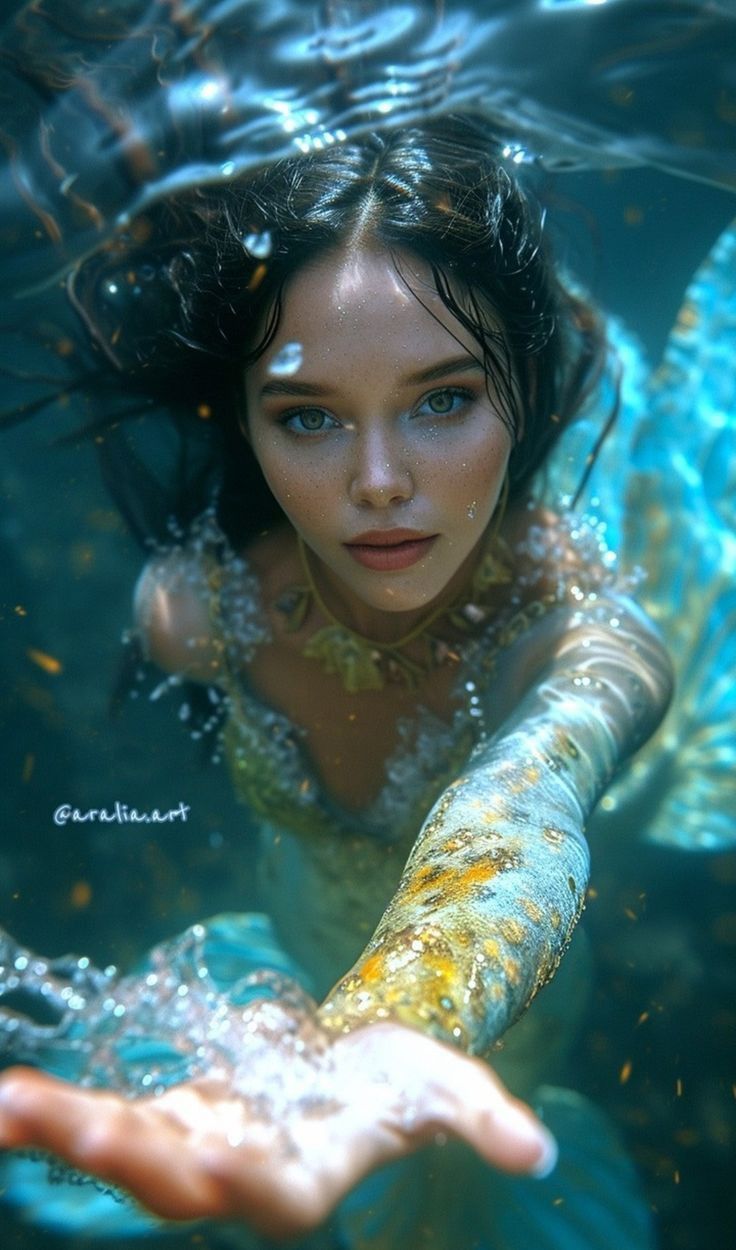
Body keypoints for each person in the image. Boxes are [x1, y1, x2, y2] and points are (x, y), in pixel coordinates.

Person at [0, 116, 688, 1249]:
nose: (378, 483)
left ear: (524, 391)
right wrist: (305, 1041)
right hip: (282, 975)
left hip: (501, 1053)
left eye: (442, 399)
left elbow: (520, 813)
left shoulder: (583, 644)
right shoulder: (196, 612)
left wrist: (384, 1027)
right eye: (309, 414)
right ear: (247, 420)